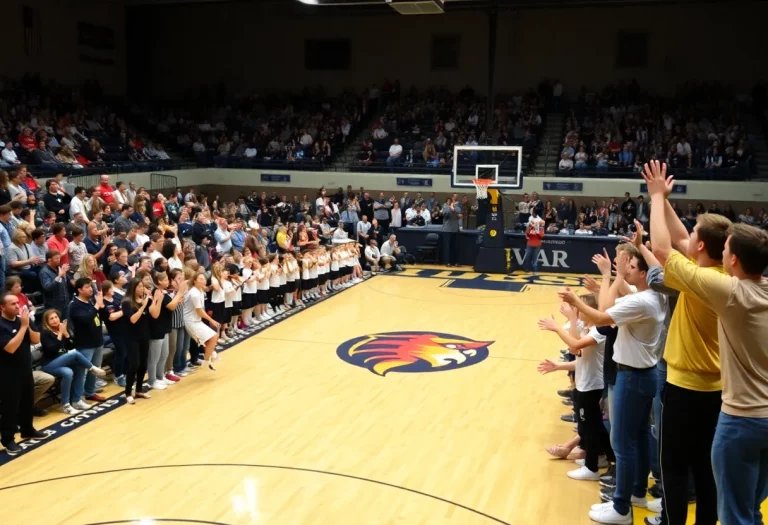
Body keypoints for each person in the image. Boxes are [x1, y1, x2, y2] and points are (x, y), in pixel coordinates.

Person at [644, 159, 768, 525]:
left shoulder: (713, 286)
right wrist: (664, 199)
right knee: (708, 474)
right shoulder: (722, 276)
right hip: (719, 391)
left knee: (675, 469)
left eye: (694, 232)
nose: (689, 234)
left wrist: (654, 198)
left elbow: (667, 250)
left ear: (731, 258)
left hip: (688, 390)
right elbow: (684, 240)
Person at [560, 248, 668, 525]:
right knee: (641, 438)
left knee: (623, 444)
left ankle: (621, 509)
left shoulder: (642, 301)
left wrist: (577, 299)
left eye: (631, 265)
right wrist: (615, 275)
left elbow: (601, 315)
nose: (628, 268)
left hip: (631, 377)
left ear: (643, 273)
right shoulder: (655, 296)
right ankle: (636, 494)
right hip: (646, 374)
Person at [538, 295, 614, 481]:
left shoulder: (599, 331)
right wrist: (559, 366)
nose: (578, 311)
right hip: (584, 383)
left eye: (581, 308)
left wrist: (562, 325)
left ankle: (592, 467)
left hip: (592, 385)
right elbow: (580, 360)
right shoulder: (586, 327)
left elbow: (574, 348)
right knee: (590, 426)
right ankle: (605, 459)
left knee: (590, 427)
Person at [0, 293, 48, 455]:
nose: (17, 306)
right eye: (12, 304)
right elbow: (10, 348)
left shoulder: (23, 321)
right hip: (7, 374)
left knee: (27, 402)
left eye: (17, 303)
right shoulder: (1, 325)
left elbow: (36, 340)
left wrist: (27, 325)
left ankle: (27, 429)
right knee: (10, 407)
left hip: (26, 369)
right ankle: (8, 439)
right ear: (2, 307)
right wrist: (22, 327)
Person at [39, 309, 106, 415]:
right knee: (74, 354)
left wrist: (66, 335)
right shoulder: (45, 334)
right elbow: (53, 349)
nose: (55, 320)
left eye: (56, 317)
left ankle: (75, 401)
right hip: (49, 364)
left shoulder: (62, 330)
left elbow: (72, 345)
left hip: (63, 362)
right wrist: (60, 334)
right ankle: (92, 368)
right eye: (51, 318)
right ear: (47, 322)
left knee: (71, 371)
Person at [69, 277, 107, 403]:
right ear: (79, 290)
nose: (91, 289)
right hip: (85, 344)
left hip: (97, 341)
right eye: (87, 287)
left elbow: (99, 317)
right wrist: (97, 305)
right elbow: (86, 319)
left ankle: (90, 392)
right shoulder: (74, 305)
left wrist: (100, 305)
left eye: (91, 286)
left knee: (95, 369)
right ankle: (77, 399)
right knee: (82, 372)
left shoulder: (90, 302)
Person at [184, 271, 220, 371]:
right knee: (212, 337)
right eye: (200, 279)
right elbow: (199, 310)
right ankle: (208, 360)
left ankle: (209, 358)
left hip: (196, 320)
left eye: (204, 278)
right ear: (194, 281)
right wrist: (211, 320)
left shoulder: (200, 290)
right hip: (191, 321)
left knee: (213, 337)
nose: (203, 280)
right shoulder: (194, 293)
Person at [522, 209, 545, 273]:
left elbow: (541, 236)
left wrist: (536, 231)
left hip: (537, 244)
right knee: (527, 257)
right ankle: (526, 269)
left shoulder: (540, 225)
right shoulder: (530, 224)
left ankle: (535, 270)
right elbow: (527, 234)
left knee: (535, 259)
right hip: (530, 243)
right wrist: (530, 228)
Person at [441, 197, 461, 267]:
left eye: (453, 201)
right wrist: (451, 207)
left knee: (455, 247)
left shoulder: (457, 207)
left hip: (455, 230)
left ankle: (456, 262)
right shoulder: (445, 207)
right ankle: (447, 262)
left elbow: (459, 211)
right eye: (450, 201)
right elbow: (445, 213)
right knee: (447, 247)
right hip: (447, 230)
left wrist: (453, 208)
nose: (452, 202)